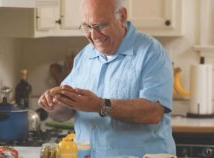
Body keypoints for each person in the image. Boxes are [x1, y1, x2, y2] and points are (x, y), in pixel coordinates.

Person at [38, 0, 176, 157]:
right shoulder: (85, 56)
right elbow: (65, 114)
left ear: (122, 18)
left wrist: (101, 105)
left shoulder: (151, 52)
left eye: (100, 25)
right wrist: (54, 107)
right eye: (87, 27)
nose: (94, 35)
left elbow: (153, 112)